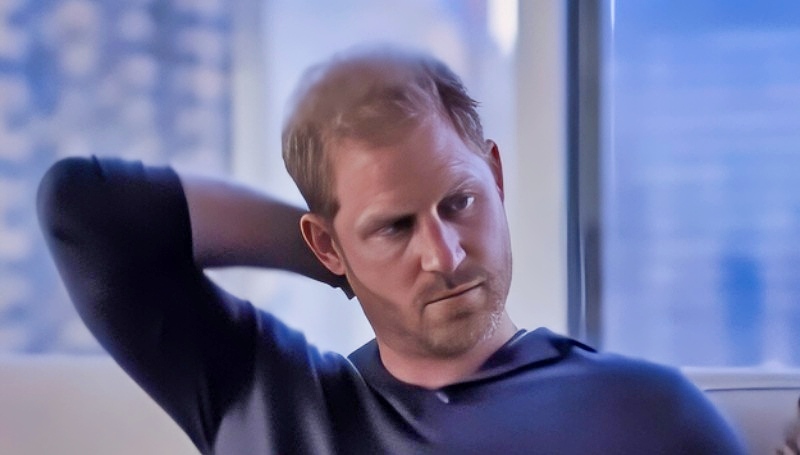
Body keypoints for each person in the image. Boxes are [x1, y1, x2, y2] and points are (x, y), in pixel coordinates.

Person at [37, 45, 746, 454]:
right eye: (395, 227)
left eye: (459, 202)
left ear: (496, 179)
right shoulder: (271, 400)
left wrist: (365, 250)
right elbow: (85, 209)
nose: (446, 256)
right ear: (326, 243)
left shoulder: (643, 411)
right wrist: (342, 264)